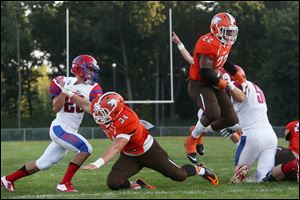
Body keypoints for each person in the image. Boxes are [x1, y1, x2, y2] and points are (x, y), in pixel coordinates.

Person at [67, 91, 219, 190]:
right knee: (113, 183)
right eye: (100, 111)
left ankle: (201, 169)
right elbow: (87, 105)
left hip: (149, 152)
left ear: (116, 111)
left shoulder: (128, 120)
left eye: (103, 112)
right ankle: (137, 185)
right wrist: (67, 92)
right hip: (130, 156)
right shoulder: (104, 110)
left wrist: (98, 162)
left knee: (179, 176)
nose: (99, 115)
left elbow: (116, 146)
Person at [1, 54, 103, 192]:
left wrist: (72, 94)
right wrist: (64, 91)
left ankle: (7, 179)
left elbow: (92, 110)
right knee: (86, 149)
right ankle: (64, 183)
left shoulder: (94, 88)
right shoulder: (63, 81)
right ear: (80, 69)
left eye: (93, 70)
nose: (92, 73)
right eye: (89, 69)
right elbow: (55, 108)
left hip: (70, 131)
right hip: (60, 128)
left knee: (43, 164)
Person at [172, 12, 248, 164]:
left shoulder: (224, 42)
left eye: (232, 31)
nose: (230, 35)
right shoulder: (207, 42)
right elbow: (205, 72)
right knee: (213, 113)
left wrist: (239, 77)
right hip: (199, 84)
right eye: (227, 31)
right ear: (216, 29)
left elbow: (225, 61)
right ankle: (191, 140)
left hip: (214, 82)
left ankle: (199, 132)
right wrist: (225, 84)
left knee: (231, 119)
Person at [219, 66, 278, 183]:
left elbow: (240, 98)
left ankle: (241, 171)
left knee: (237, 173)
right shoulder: (256, 87)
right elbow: (250, 112)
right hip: (270, 136)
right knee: (263, 177)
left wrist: (229, 85)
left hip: (252, 136)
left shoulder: (238, 86)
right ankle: (259, 176)